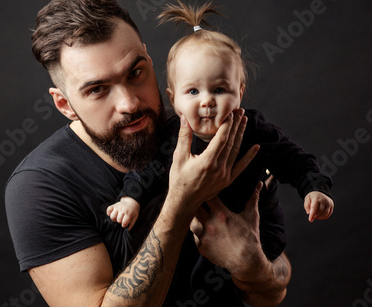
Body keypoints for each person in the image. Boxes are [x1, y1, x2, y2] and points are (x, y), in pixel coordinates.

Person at [5, 1, 292, 307]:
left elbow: (273, 291)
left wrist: (251, 264)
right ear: (64, 104)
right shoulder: (40, 186)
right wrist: (180, 203)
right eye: (98, 89)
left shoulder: (206, 132)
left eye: (135, 73)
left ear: (149, 59)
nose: (129, 103)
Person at [106, 0, 334, 246]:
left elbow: (295, 160)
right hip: (198, 233)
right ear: (174, 99)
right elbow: (145, 171)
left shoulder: (253, 129)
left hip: (256, 230)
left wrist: (314, 188)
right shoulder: (170, 136)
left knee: (256, 256)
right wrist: (130, 199)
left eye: (219, 89)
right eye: (193, 91)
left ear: (239, 92)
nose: (207, 101)